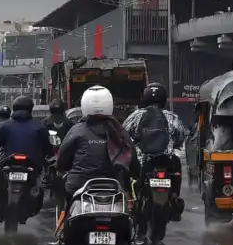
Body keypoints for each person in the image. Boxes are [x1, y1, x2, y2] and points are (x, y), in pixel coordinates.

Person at [55, 85, 139, 227]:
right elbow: (133, 161)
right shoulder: (119, 131)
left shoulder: (76, 130)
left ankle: (63, 225)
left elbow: (61, 162)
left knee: (66, 199)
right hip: (114, 186)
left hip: (78, 185)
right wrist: (135, 174)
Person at [122, 82, 189, 221]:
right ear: (164, 99)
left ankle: (130, 200)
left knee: (126, 171)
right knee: (176, 162)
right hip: (166, 160)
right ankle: (174, 198)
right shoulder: (172, 117)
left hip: (143, 161)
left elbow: (123, 135)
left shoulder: (136, 115)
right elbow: (181, 137)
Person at [0, 96, 51, 214]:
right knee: (41, 171)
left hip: (7, 159)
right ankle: (35, 188)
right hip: (32, 161)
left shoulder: (4, 125)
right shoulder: (39, 126)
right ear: (30, 108)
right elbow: (47, 146)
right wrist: (44, 155)